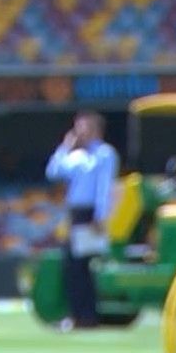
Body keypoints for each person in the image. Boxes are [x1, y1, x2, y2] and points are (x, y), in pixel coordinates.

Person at [45, 110, 118, 331]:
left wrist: (100, 216)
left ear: (95, 129)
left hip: (90, 214)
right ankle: (79, 314)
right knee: (73, 266)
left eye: (82, 127)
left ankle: (86, 316)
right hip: (75, 213)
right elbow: (53, 172)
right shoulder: (76, 156)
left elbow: (105, 187)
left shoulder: (104, 154)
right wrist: (65, 146)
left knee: (83, 265)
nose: (78, 132)